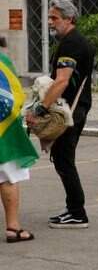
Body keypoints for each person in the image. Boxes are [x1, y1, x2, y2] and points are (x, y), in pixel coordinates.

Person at [25, 0, 95, 229]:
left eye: (54, 18)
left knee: (64, 160)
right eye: (49, 17)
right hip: (75, 108)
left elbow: (62, 80)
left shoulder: (72, 44)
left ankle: (77, 213)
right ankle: (73, 209)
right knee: (63, 159)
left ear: (69, 19)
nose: (50, 22)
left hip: (70, 111)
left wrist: (40, 109)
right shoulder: (74, 41)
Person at [0, 48, 38, 242]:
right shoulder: (2, 62)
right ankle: (13, 228)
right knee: (8, 177)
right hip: (3, 133)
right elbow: (13, 97)